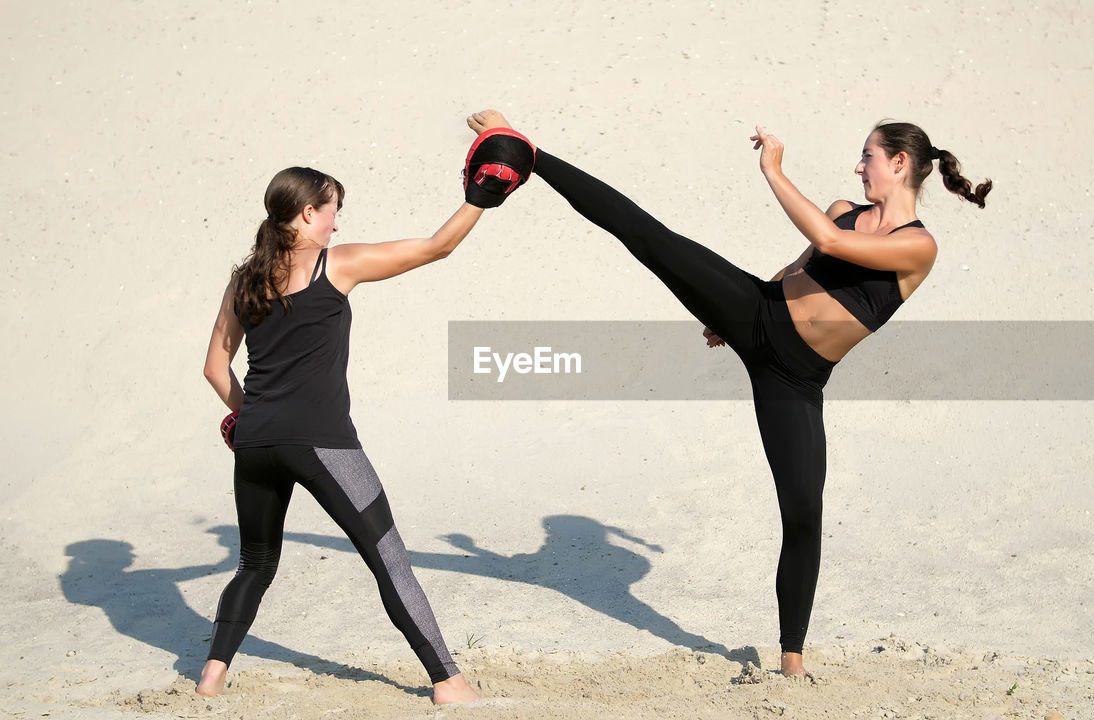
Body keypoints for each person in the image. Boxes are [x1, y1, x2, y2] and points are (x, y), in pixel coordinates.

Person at [465, 109, 990, 678]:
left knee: (804, 512)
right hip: (756, 313)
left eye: (868, 156)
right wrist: (731, 313)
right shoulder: (845, 209)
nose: (859, 167)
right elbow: (802, 262)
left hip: (795, 379)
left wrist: (773, 170)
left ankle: (791, 657)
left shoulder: (918, 247)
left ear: (900, 163)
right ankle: (531, 154)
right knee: (648, 236)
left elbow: (828, 241)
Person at [199, 134, 532, 703]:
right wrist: (483, 195)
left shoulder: (245, 277)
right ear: (308, 213)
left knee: (254, 563)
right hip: (324, 442)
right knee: (389, 558)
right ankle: (449, 681)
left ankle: (211, 676)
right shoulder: (337, 265)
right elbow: (436, 248)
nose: (335, 224)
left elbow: (213, 368)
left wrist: (250, 417)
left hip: (255, 442)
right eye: (332, 211)